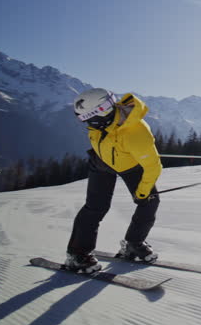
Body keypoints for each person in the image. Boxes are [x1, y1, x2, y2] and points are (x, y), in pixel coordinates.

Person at [65, 88, 163, 273]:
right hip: (101, 162)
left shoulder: (136, 132)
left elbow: (153, 167)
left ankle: (133, 244)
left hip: (130, 165)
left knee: (149, 201)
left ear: (101, 112)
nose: (85, 122)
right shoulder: (101, 122)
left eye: (86, 118)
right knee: (95, 208)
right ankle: (77, 254)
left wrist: (142, 192)